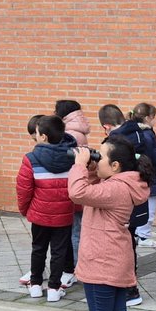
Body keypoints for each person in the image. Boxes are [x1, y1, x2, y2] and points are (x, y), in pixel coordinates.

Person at [62, 136, 150, 311]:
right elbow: (91, 192)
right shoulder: (121, 184)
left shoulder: (115, 189)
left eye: (101, 157)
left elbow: (77, 193)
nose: (95, 159)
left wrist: (79, 164)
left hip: (102, 263)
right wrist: (90, 169)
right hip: (115, 260)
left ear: (116, 166)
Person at [15, 115, 78, 302]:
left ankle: (35, 286)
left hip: (39, 215)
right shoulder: (74, 158)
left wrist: (25, 210)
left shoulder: (31, 159)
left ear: (43, 137)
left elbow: (23, 189)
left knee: (38, 249)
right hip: (64, 215)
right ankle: (53, 289)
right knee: (59, 252)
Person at [113, 102, 156, 249]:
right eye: (154, 117)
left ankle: (139, 233)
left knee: (140, 207)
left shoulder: (132, 132)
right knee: (150, 209)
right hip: (151, 176)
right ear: (148, 117)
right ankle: (143, 236)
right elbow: (155, 158)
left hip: (136, 176)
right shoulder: (147, 134)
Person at [56, 99, 91, 265]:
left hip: (72, 182)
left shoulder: (68, 133)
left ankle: (77, 266)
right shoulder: (79, 129)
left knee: (75, 231)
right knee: (79, 228)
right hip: (81, 180)